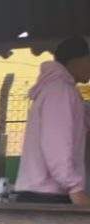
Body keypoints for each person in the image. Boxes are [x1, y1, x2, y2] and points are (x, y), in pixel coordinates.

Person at [14, 36, 90, 206]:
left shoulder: (61, 90)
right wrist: (75, 189)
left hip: (44, 194)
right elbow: (56, 144)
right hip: (47, 197)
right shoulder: (60, 91)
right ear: (77, 60)